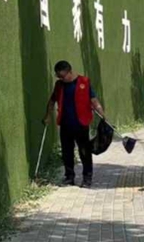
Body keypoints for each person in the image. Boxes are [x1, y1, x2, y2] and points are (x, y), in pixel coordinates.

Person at [44, 60, 105, 188]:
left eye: (62, 76)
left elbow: (94, 100)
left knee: (84, 152)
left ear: (69, 72)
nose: (60, 79)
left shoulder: (84, 82)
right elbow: (52, 101)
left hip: (81, 124)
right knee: (67, 152)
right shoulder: (59, 85)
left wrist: (103, 115)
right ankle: (69, 177)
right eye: (58, 76)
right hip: (65, 124)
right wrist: (48, 116)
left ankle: (87, 178)